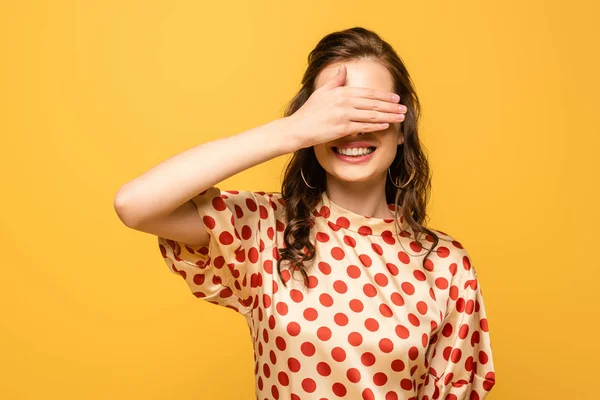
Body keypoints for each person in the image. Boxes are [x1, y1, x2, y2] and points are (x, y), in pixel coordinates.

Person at [115, 26, 496, 400]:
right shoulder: (265, 229)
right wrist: (292, 131)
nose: (352, 129)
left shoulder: (446, 267)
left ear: (402, 129)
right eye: (337, 112)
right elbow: (134, 205)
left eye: (371, 109)